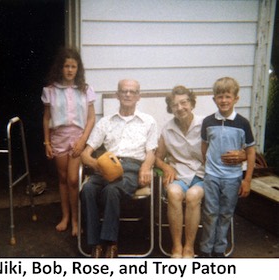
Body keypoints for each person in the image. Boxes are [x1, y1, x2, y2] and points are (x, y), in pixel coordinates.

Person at [155, 85, 247, 258]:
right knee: (173, 193)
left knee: (193, 195)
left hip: (206, 174)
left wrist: (242, 154)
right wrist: (166, 166)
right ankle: (176, 247)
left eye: (184, 103)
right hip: (179, 175)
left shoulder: (207, 123)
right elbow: (158, 157)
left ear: (191, 103)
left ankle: (189, 247)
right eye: (175, 105)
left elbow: (239, 147)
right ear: (170, 108)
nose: (180, 108)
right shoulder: (167, 129)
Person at [80, 79, 158, 258]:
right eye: (124, 91)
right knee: (88, 189)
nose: (128, 95)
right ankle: (95, 244)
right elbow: (85, 154)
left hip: (132, 167)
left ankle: (110, 243)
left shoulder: (148, 121)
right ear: (117, 95)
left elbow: (151, 151)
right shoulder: (105, 122)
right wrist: (96, 165)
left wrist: (146, 166)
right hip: (107, 166)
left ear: (138, 96)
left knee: (111, 190)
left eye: (132, 92)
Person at [41, 47, 96, 236]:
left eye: (73, 66)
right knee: (63, 179)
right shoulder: (50, 90)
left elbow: (91, 118)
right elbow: (46, 118)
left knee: (74, 179)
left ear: (78, 68)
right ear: (60, 68)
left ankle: (76, 219)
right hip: (58, 137)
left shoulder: (85, 90)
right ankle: (66, 217)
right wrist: (47, 142)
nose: (70, 70)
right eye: (66, 66)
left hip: (78, 137)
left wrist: (83, 140)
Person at [199, 77, 256, 257]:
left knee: (226, 213)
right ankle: (206, 249)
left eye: (227, 96)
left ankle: (219, 248)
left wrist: (247, 180)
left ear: (236, 99)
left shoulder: (243, 123)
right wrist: (208, 165)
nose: (223, 100)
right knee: (209, 212)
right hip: (212, 176)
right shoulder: (208, 122)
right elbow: (204, 146)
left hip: (232, 177)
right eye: (220, 96)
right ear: (214, 99)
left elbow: (251, 151)